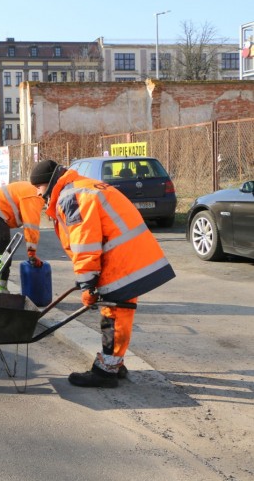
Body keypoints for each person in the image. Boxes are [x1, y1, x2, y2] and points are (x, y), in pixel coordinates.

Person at [29, 159, 175, 388]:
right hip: (129, 255)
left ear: (47, 184)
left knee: (114, 313)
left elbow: (85, 242)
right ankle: (114, 362)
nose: (38, 195)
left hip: (122, 259)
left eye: (38, 189)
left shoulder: (71, 196)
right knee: (116, 311)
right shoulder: (83, 186)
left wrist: (87, 283)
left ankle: (107, 371)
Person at [0, 181, 45, 293]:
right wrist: (32, 254)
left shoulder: (34, 191)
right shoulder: (34, 197)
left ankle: (1, 288)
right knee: (2, 254)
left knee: (4, 253)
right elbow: (31, 227)